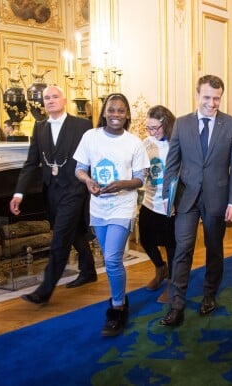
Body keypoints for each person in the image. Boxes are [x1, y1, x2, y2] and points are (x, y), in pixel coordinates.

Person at [159, 75, 232, 327]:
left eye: (216, 98)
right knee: (183, 248)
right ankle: (177, 305)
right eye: (207, 97)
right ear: (197, 95)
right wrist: (167, 195)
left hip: (217, 198)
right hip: (186, 197)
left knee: (214, 249)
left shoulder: (231, 125)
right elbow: (172, 163)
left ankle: (209, 294)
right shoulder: (182, 124)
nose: (212, 103)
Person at [10, 85, 97, 305]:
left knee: (60, 239)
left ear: (64, 99)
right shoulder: (39, 128)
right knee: (75, 231)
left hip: (75, 188)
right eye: (46, 98)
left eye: (54, 96)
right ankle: (88, 271)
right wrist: (18, 194)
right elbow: (31, 164)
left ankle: (45, 290)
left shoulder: (82, 125)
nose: (50, 100)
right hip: (51, 191)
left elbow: (93, 155)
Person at [73, 93, 150, 336]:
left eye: (121, 111)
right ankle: (121, 300)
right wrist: (87, 181)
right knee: (108, 260)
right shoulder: (90, 137)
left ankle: (117, 308)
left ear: (127, 115)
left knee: (113, 259)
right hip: (98, 207)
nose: (116, 114)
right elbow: (80, 169)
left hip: (122, 205)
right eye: (111, 110)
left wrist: (121, 184)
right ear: (104, 112)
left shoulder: (134, 143)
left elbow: (140, 179)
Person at [139, 105, 177, 303]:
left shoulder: (176, 142)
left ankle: (172, 282)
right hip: (150, 199)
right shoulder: (146, 143)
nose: (152, 132)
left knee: (170, 244)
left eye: (156, 128)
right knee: (145, 239)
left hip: (170, 201)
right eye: (149, 128)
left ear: (166, 123)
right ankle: (160, 268)